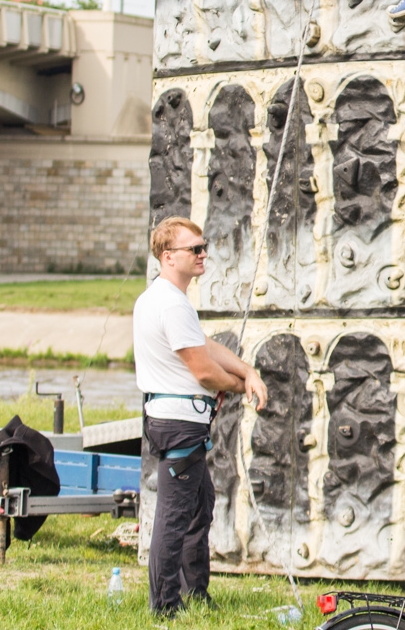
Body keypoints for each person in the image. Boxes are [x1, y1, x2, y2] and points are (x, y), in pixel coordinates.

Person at [136, 216, 269, 617]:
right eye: (194, 249)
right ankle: (165, 607)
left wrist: (247, 371)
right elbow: (204, 371)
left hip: (174, 419)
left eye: (203, 246)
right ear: (168, 256)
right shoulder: (171, 304)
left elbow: (203, 345)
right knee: (174, 514)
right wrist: (239, 385)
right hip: (179, 424)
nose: (202, 254)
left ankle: (194, 592)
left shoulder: (163, 299)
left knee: (199, 503)